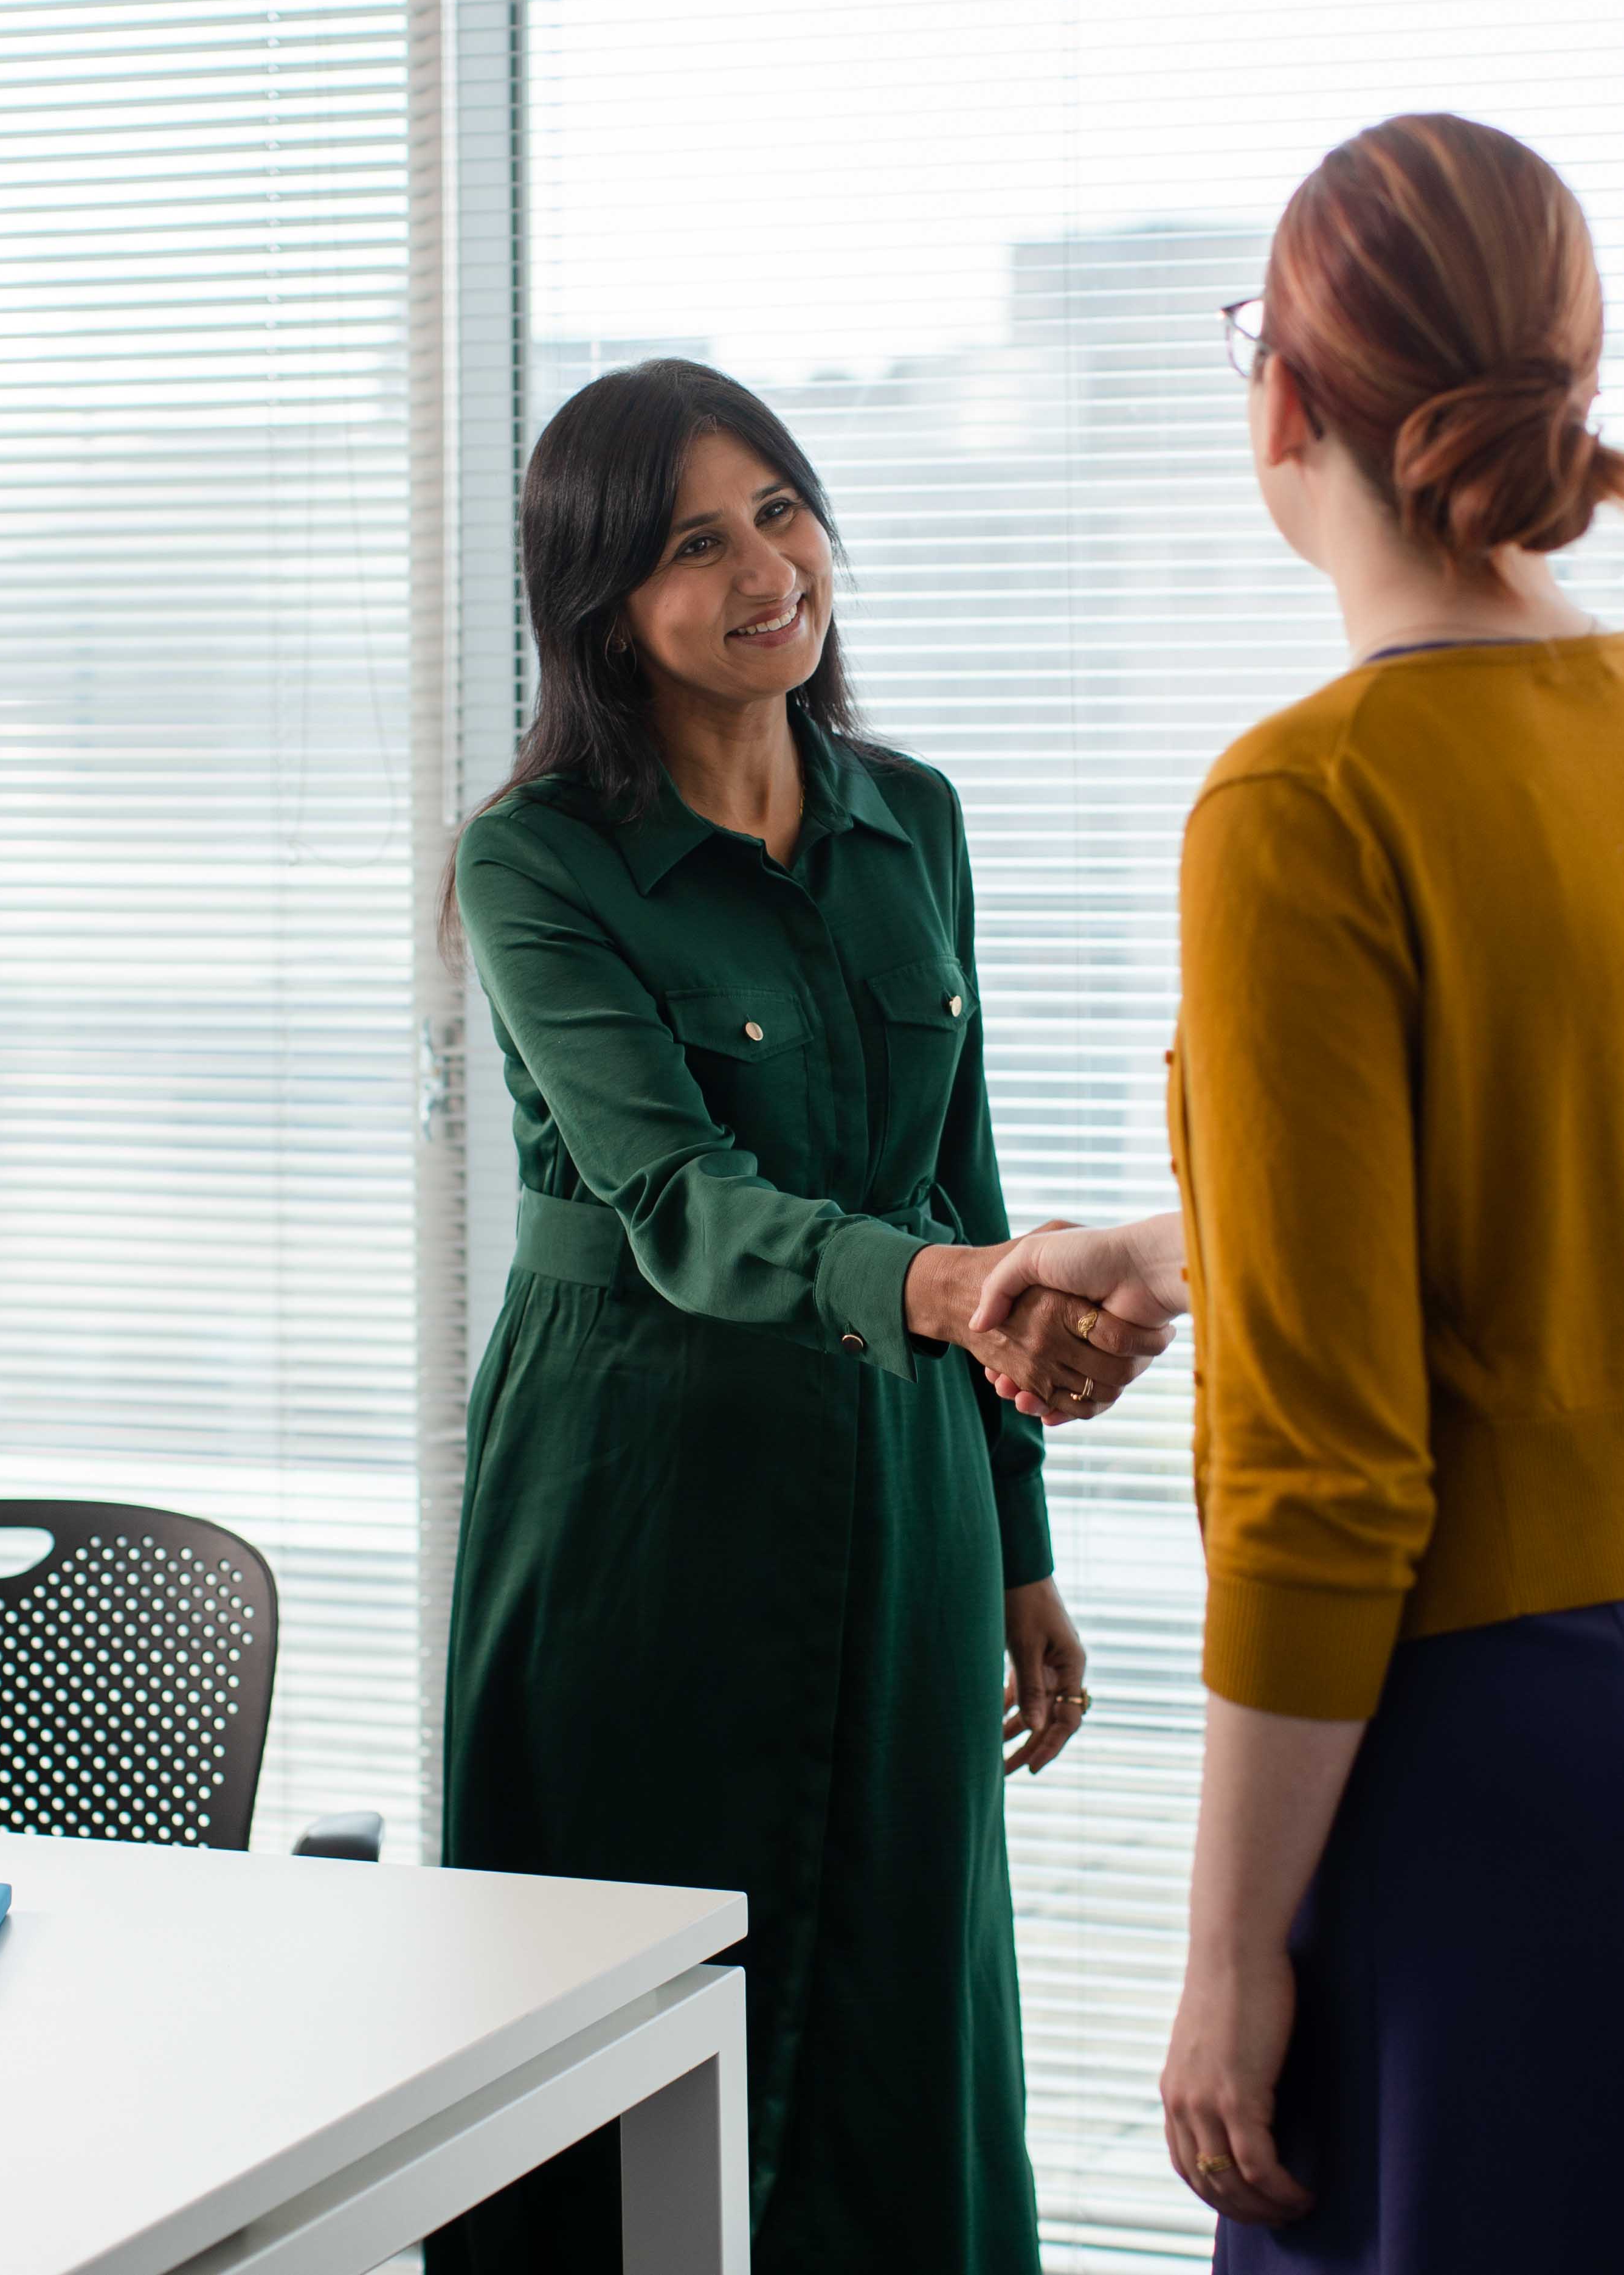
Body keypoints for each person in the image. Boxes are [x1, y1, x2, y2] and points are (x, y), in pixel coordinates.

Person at [973, 115, 1624, 2273]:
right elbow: (1605, 1213)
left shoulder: (1304, 803)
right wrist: (1171, 1254)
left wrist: (1229, 1952)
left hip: (1537, 1789)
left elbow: (1331, 1469)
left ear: (1281, 394)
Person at [430, 358, 1167, 2275]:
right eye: (697, 540)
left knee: (901, 2010)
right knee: (633, 2021)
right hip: (641, 1498)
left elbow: (966, 1179)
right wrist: (950, 1290)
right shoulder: (533, 863)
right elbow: (675, 1200)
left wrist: (1015, 1538)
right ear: (603, 606)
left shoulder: (911, 818)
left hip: (912, 1475)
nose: (769, 564)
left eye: (782, 507)